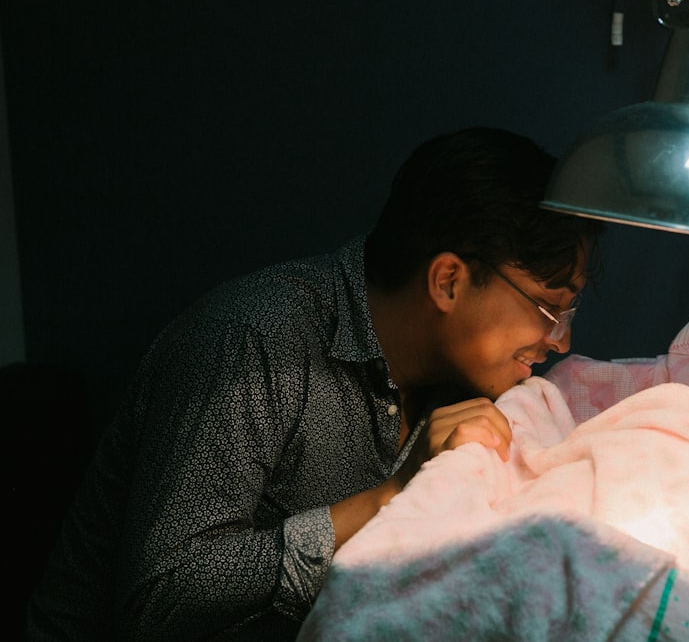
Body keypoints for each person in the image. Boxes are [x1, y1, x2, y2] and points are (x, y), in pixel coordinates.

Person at [24, 126, 605, 640]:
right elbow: (159, 601)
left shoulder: (463, 383)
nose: (560, 343)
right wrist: (393, 496)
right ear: (448, 281)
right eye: (549, 310)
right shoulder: (253, 340)